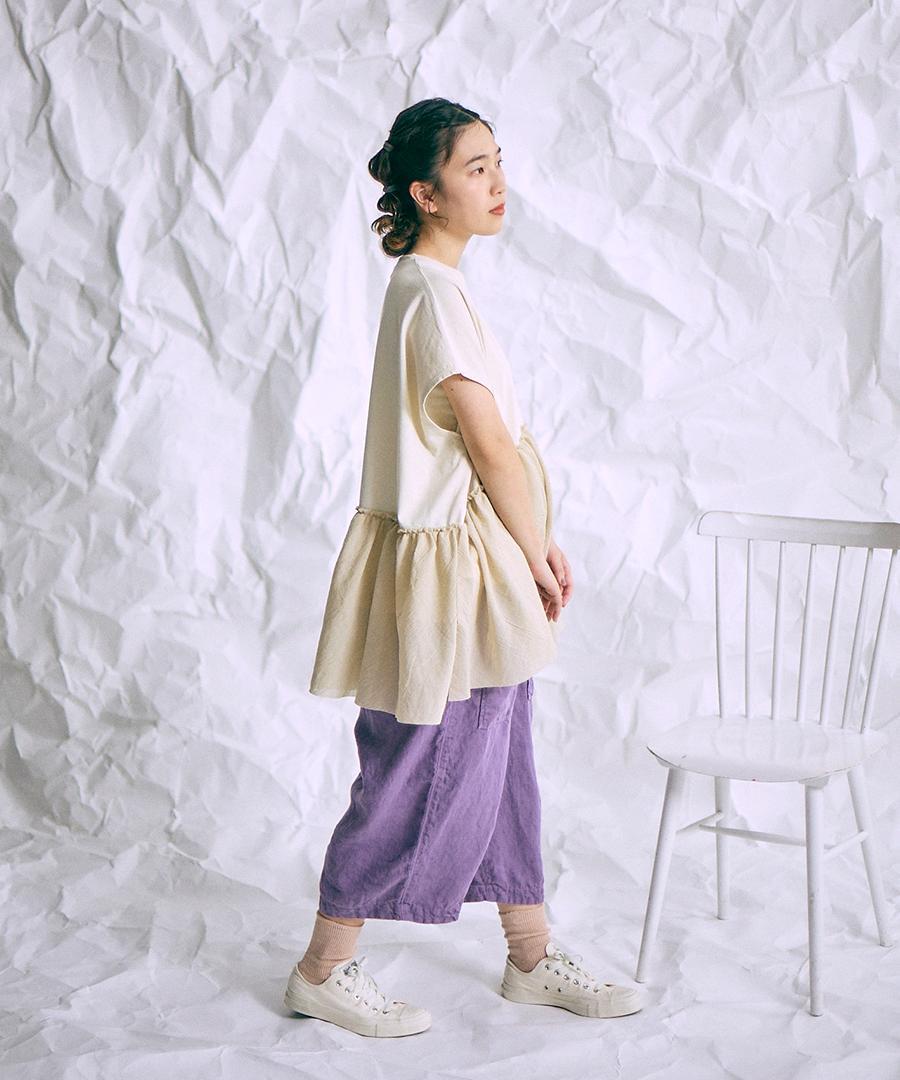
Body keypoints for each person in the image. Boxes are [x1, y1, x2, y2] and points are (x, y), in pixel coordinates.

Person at [283, 98, 644, 1038]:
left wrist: (532, 541)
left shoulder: (434, 285)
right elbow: (484, 442)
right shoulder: (431, 294)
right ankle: (323, 967)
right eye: (475, 168)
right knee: (417, 760)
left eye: (498, 161)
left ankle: (530, 952)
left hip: (470, 560)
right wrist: (534, 550)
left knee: (499, 755)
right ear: (426, 193)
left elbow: (485, 445)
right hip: (455, 567)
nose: (497, 182)